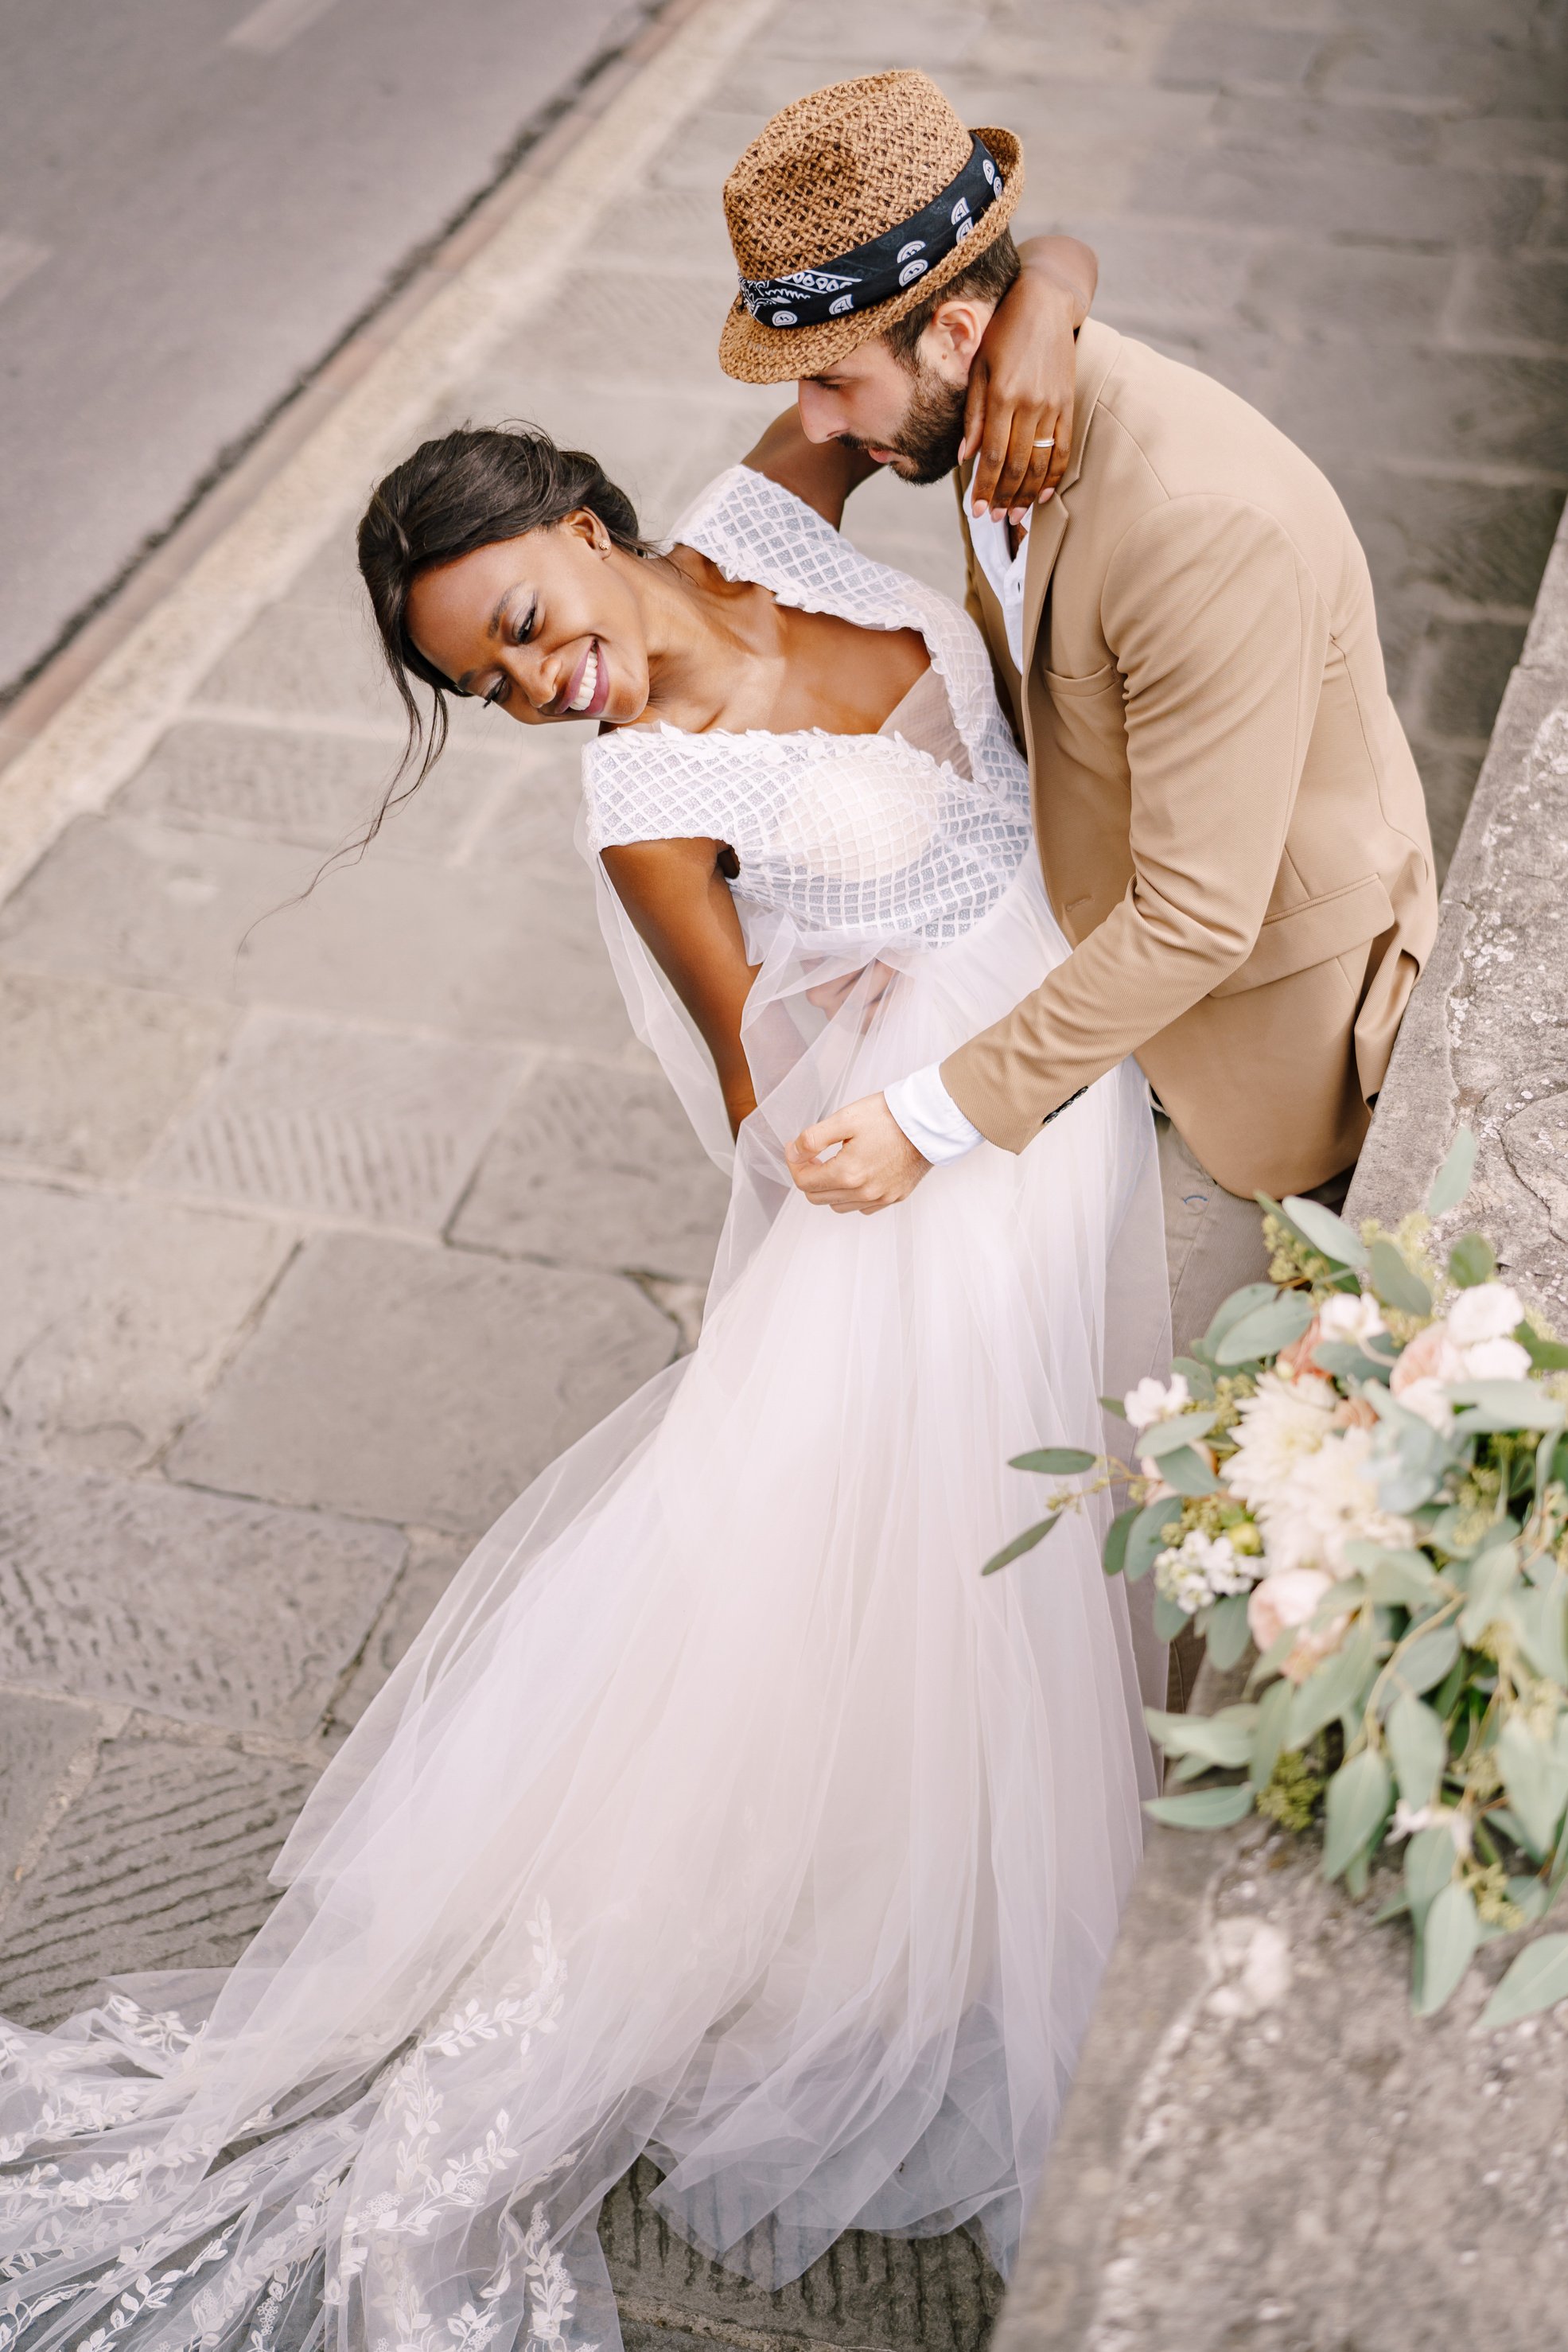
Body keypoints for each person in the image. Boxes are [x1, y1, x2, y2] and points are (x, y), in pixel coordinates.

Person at [0, 339, 1173, 2343]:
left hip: (1066, 1055)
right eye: (492, 684)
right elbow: (759, 1106)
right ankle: (903, 1937)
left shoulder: (762, 515)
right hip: (946, 1139)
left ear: (584, 525)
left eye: (530, 625)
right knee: (957, 1563)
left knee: (990, 1550)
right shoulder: (642, 802)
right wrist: (844, 1024)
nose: (544, 687)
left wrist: (1048, 297)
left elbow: (897, 324)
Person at [718, 71, 1439, 1359]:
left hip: (1260, 1056)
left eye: (831, 382)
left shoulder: (1192, 523)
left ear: (949, 336)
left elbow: (1197, 913)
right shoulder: (994, 414)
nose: (812, 424)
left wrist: (929, 1118)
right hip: (1084, 994)